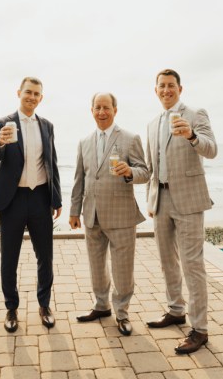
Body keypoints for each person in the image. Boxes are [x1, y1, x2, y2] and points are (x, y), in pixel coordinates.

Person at [145, 69, 218, 354]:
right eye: (161, 86)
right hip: (161, 201)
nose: (166, 90)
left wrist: (191, 136)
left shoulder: (196, 114)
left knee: (192, 265)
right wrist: (151, 200)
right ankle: (176, 310)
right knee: (167, 261)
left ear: (180, 88)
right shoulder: (152, 124)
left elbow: (212, 150)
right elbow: (152, 168)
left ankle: (200, 329)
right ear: (156, 90)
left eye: (171, 85)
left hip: (189, 201)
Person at [0, 77, 62, 332]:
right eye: (27, 92)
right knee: (9, 257)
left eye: (36, 93)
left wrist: (57, 198)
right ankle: (11, 308)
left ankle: (44, 305)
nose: (31, 96)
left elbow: (52, 162)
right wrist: (1, 142)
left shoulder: (48, 126)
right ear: (19, 93)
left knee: (45, 256)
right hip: (13, 199)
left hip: (40, 197)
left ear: (41, 97)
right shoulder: (2, 123)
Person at [69, 93, 149, 336]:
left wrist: (129, 172)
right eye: (97, 107)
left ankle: (122, 313)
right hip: (91, 215)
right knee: (97, 266)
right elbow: (79, 179)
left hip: (121, 215)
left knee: (123, 268)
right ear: (91, 110)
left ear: (115, 109)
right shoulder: (84, 142)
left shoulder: (130, 138)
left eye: (106, 107)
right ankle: (101, 305)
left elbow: (145, 172)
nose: (101, 112)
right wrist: (74, 211)